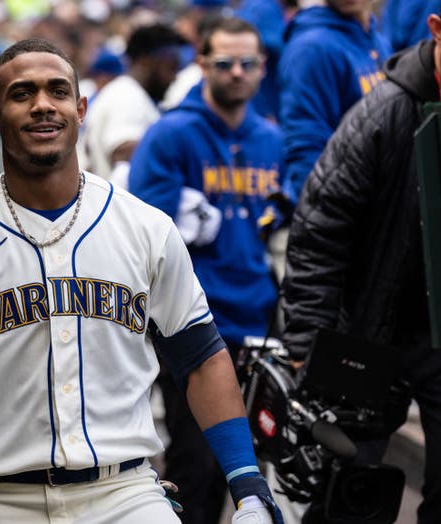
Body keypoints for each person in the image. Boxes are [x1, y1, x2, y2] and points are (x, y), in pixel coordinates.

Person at [0, 37, 283, 524]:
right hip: (2, 501)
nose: (42, 106)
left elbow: (201, 356)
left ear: (80, 109)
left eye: (58, 92)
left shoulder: (145, 226)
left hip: (126, 493)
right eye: (22, 94)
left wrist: (248, 485)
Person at [280, 0, 441, 522]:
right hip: (370, 332)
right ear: (436, 29)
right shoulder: (386, 112)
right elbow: (319, 230)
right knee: (345, 487)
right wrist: (304, 340)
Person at [130, 17, 285, 524]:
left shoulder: (270, 138)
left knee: (244, 476)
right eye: (224, 62)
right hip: (191, 328)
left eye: (249, 63)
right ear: (201, 64)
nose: (237, 72)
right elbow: (139, 235)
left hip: (256, 324)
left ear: (263, 68)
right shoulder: (170, 134)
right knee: (193, 468)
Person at [277, 0, 392, 203]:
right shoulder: (311, 48)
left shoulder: (378, 41)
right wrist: (324, 216)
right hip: (339, 207)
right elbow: (305, 144)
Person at [80, 23, 186, 186]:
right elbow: (123, 152)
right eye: (171, 67)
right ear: (146, 62)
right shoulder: (127, 97)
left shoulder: (127, 93)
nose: (174, 78)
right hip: (117, 205)